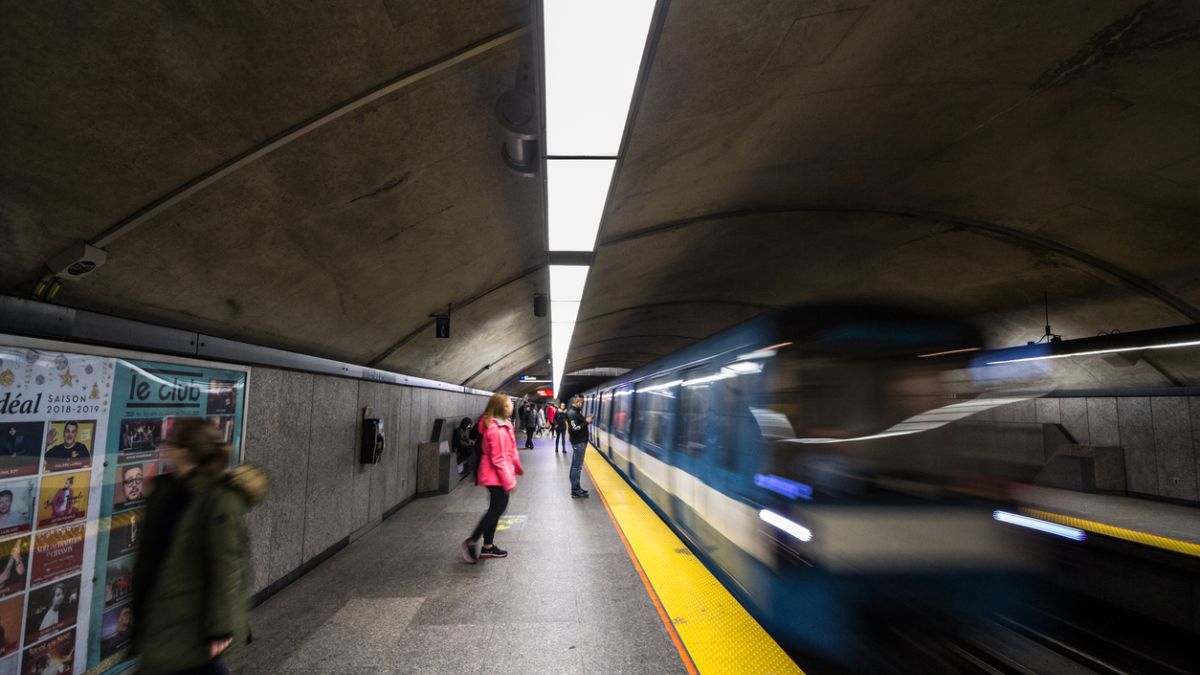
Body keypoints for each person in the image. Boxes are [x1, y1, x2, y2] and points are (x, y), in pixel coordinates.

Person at [130, 417, 267, 675]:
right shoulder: (168, 490)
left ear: (185, 451)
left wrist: (221, 627)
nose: (165, 448)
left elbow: (227, 564)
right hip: (170, 614)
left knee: (186, 664)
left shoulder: (217, 499)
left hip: (189, 618)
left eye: (171, 443)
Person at [461, 393, 522, 563]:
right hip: (495, 475)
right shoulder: (495, 429)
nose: (512, 405)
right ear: (503, 407)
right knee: (496, 510)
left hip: (498, 473)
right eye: (509, 403)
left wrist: (516, 467)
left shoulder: (504, 424)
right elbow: (498, 458)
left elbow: (510, 451)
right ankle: (471, 541)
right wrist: (508, 481)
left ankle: (488, 547)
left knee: (496, 509)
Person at [567, 396, 593, 498]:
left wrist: (586, 420)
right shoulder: (571, 413)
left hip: (580, 443)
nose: (583, 405)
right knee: (577, 467)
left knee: (575, 466)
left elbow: (579, 424)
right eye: (581, 403)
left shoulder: (576, 412)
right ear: (576, 402)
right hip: (578, 443)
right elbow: (574, 429)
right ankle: (575, 490)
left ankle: (576, 488)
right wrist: (586, 422)